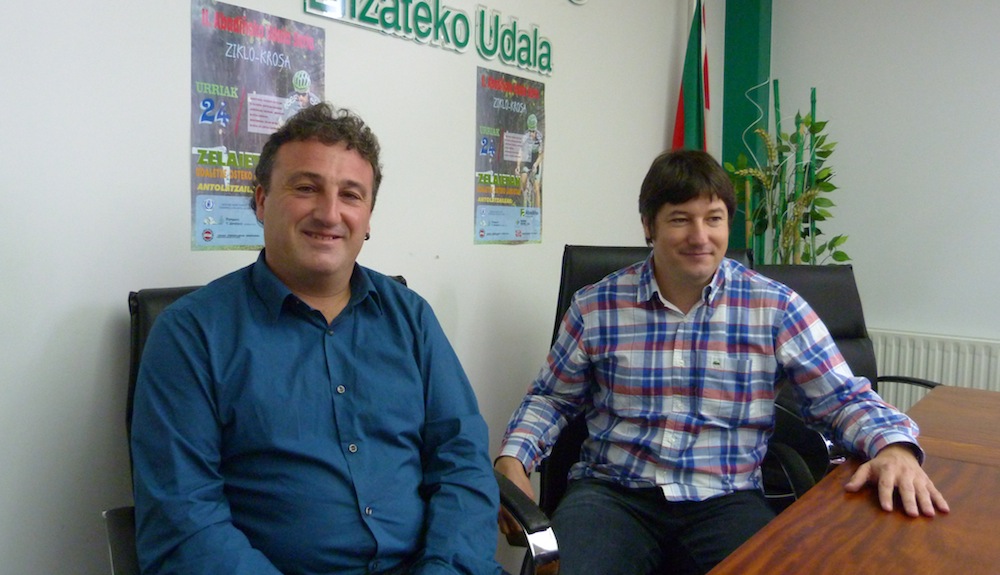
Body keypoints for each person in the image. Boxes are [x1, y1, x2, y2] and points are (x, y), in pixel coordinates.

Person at [494, 149, 949, 575]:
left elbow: (842, 398)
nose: (700, 237)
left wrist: (894, 447)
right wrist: (514, 458)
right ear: (648, 226)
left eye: (713, 218)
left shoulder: (775, 308)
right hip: (613, 495)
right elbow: (551, 399)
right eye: (680, 219)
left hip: (725, 498)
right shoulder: (597, 306)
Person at [131, 103, 504, 575]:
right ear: (261, 201)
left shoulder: (411, 318)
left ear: (368, 217)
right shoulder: (191, 335)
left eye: (350, 195)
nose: (330, 214)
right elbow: (186, 523)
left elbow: (462, 463)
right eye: (306, 188)